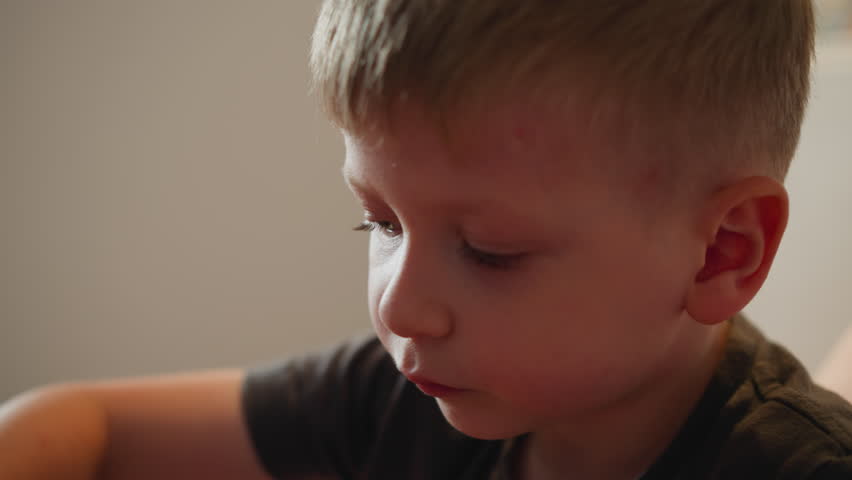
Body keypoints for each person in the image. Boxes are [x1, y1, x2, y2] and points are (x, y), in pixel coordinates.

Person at [2, 1, 851, 478]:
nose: (399, 305)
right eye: (380, 221)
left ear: (721, 252)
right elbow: (83, 428)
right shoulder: (397, 401)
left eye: (488, 251)